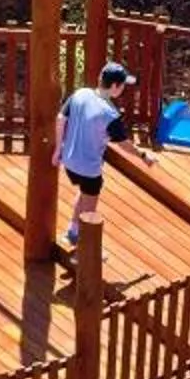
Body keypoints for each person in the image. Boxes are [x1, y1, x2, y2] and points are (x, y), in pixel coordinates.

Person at [56, 63, 139, 246]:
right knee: (90, 213)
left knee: (84, 193)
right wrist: (142, 155)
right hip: (89, 169)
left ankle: (72, 233)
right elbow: (123, 144)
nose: (124, 89)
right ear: (115, 87)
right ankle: (85, 248)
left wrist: (57, 150)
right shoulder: (111, 114)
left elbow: (61, 118)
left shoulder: (80, 94)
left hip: (69, 162)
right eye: (123, 85)